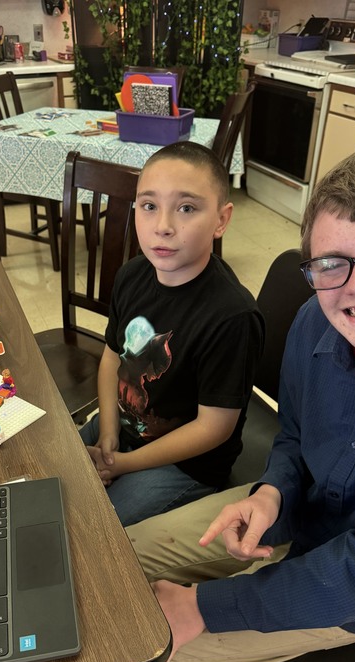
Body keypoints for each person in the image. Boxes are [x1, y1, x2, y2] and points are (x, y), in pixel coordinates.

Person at [109, 135, 355, 662]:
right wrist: (272, 497)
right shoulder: (315, 323)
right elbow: (293, 437)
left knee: (153, 638)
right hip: (307, 519)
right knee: (122, 562)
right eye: (333, 262)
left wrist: (206, 607)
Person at [79, 141, 264, 526]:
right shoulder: (132, 275)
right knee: (53, 475)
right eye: (149, 206)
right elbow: (113, 356)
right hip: (125, 428)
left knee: (95, 525)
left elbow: (213, 428)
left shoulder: (232, 316)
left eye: (186, 208)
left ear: (221, 220)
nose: (162, 226)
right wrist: (110, 436)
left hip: (185, 465)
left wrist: (123, 464)